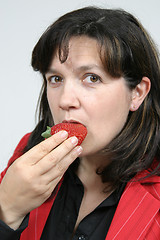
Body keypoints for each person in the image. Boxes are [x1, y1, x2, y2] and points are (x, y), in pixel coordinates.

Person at [0, 6, 160, 240]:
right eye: (55, 79)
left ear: (137, 93)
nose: (65, 101)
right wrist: (7, 209)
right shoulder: (27, 156)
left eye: (92, 78)